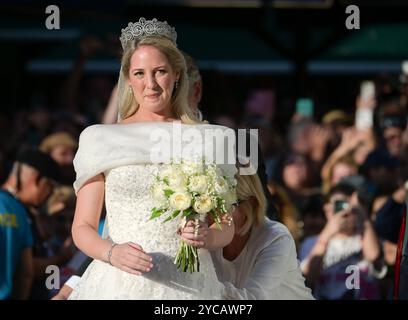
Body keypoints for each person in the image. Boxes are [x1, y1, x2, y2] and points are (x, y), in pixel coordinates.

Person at [68, 17, 237, 300]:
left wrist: (208, 236)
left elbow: (227, 226)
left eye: (159, 72)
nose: (151, 84)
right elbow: (82, 226)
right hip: (119, 282)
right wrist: (111, 253)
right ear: (128, 79)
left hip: (191, 285)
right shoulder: (99, 139)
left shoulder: (212, 139)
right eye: (139, 74)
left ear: (177, 75)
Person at [211, 171, 314, 299]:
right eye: (207, 205)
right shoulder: (204, 237)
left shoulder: (276, 237)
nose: (213, 214)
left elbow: (254, 298)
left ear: (251, 203)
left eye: (223, 205)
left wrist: (199, 284)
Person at [300, 183, 387, 299]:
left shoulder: (366, 237)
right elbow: (307, 279)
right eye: (339, 205)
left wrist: (363, 217)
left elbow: (373, 256)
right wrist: (328, 232)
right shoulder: (311, 243)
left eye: (349, 205)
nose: (345, 211)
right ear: (327, 208)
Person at [0, 149, 60, 299]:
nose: (50, 194)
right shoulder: (18, 211)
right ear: (37, 179)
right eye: (51, 186)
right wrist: (63, 258)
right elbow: (26, 272)